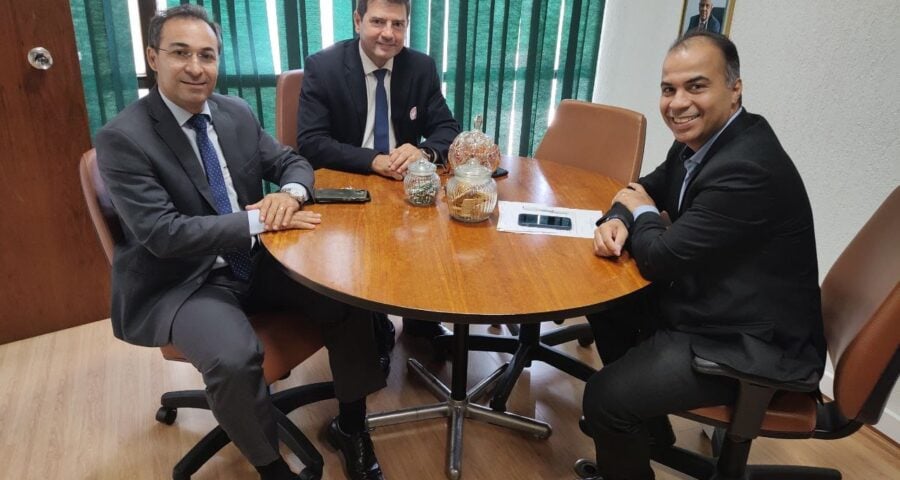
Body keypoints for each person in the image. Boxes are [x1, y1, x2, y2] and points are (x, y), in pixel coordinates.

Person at [94, 6, 386, 480]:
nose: (196, 67)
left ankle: (352, 426)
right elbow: (163, 235)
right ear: (153, 57)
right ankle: (272, 469)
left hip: (256, 260)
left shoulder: (234, 112)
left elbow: (290, 161)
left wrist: (289, 195)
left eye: (207, 55)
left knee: (348, 293)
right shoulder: (123, 139)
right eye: (180, 53)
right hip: (185, 279)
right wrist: (253, 222)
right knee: (233, 358)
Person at [579, 31, 826, 479]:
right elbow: (642, 190)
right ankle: (644, 433)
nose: (677, 103)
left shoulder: (747, 166)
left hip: (751, 341)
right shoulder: (700, 142)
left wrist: (641, 212)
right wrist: (616, 217)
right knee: (605, 300)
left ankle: (623, 422)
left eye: (696, 86)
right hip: (717, 302)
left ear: (735, 89)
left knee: (604, 398)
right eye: (668, 89)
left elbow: (659, 256)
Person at [296, 0, 460, 353]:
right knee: (359, 255)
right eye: (378, 22)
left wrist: (424, 151)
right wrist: (373, 161)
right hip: (348, 184)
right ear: (357, 21)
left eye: (398, 24)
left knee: (434, 234)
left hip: (403, 184)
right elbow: (311, 143)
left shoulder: (420, 67)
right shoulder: (324, 67)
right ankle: (370, 329)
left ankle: (422, 319)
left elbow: (447, 127)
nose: (388, 33)